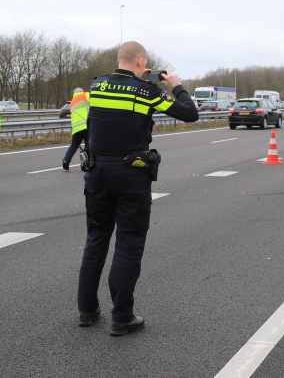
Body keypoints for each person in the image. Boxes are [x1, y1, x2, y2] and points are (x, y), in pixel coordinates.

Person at [77, 41, 198, 336]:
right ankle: (122, 316)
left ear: (119, 60)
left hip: (96, 172)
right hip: (130, 174)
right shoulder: (148, 91)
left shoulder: (96, 87)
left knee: (96, 239)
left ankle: (87, 310)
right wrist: (177, 86)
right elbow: (190, 113)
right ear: (141, 61)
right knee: (129, 243)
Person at [62, 88, 89, 170]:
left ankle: (66, 160)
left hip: (76, 127)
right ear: (82, 91)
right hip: (86, 125)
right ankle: (85, 163)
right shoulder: (86, 94)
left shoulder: (72, 102)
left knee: (74, 144)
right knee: (89, 144)